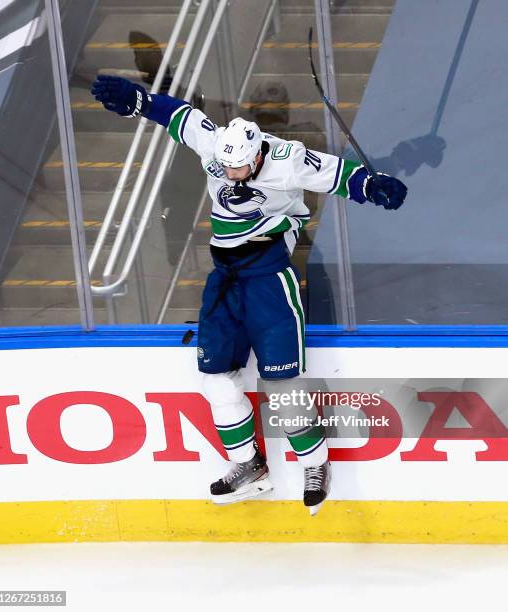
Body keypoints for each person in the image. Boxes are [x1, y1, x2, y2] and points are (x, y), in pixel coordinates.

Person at [91, 75, 407, 515]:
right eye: (225, 167)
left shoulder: (289, 160)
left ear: (258, 154)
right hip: (224, 281)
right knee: (216, 381)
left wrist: (375, 186)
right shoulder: (218, 146)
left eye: (239, 168)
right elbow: (180, 117)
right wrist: (139, 101)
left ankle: (315, 464)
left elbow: (339, 175)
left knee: (282, 385)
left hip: (269, 281)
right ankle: (249, 466)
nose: (230, 174)